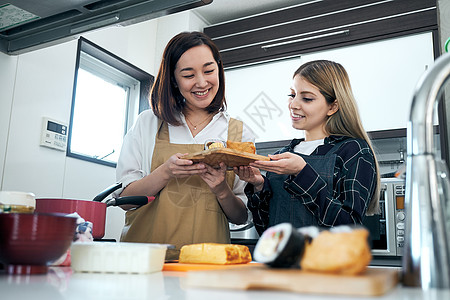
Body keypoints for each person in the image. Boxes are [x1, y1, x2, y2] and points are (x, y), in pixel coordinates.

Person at [114, 31, 255, 259]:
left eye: (209, 71)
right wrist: (165, 172)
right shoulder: (148, 123)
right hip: (144, 261)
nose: (202, 82)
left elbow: (241, 217)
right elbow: (124, 201)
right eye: (188, 75)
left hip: (208, 265)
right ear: (173, 79)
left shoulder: (238, 132)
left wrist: (221, 190)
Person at [235, 60, 380, 235]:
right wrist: (258, 186)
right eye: (292, 95)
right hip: (281, 262)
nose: (293, 105)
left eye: (307, 98)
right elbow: (266, 231)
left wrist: (302, 173)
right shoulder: (282, 155)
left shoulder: (353, 151)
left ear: (333, 106)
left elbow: (349, 227)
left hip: (328, 262)